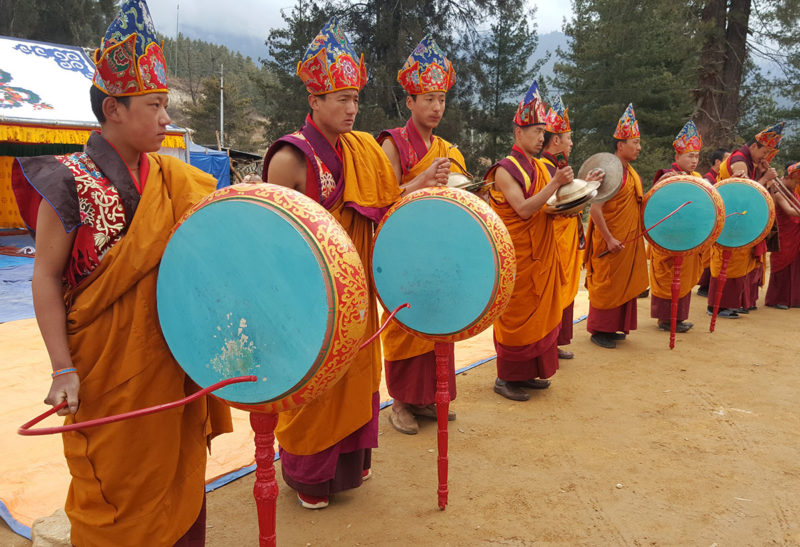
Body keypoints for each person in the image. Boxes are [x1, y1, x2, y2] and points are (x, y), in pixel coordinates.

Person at [10, 1, 232, 544]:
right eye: (155, 106)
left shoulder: (174, 177)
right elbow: (44, 278)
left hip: (170, 355)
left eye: (166, 106)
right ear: (113, 108)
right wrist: (62, 369)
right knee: (114, 490)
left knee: (177, 474)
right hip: (106, 372)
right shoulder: (67, 180)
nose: (165, 119)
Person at [262, 18, 410, 509]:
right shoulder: (292, 157)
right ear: (315, 101)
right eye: (341, 99)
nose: (352, 108)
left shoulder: (361, 150)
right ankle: (309, 476)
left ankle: (349, 465)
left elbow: (384, 204)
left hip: (358, 289)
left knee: (356, 374)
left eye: (356, 99)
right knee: (317, 384)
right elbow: (275, 237)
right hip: (310, 294)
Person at [377, 34, 460, 435]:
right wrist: (424, 179)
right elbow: (383, 201)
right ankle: (400, 403)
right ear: (409, 101)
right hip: (403, 252)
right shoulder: (393, 144)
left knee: (438, 320)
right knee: (404, 326)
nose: (436, 107)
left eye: (441, 99)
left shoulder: (445, 146)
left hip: (436, 251)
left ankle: (426, 397)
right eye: (428, 99)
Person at [484, 80, 571, 401]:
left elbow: (550, 206)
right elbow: (522, 209)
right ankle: (506, 378)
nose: (541, 138)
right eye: (535, 131)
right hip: (517, 255)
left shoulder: (539, 166)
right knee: (516, 313)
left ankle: (530, 372)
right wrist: (555, 185)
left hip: (542, 254)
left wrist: (577, 191)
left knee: (542, 313)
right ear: (518, 132)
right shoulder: (504, 170)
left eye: (542, 132)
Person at [584, 104, 649, 348]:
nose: (639, 147)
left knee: (622, 282)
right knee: (608, 282)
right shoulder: (608, 171)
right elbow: (596, 208)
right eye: (635, 142)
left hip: (627, 239)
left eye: (639, 143)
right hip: (609, 238)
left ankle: (613, 328)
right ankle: (600, 329)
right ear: (620, 145)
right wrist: (609, 238)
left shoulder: (631, 172)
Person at [708, 122, 783, 318]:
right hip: (731, 217)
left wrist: (762, 172)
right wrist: (764, 177)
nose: (765, 156)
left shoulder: (751, 162)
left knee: (738, 262)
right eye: (764, 151)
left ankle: (729, 304)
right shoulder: (740, 161)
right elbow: (744, 195)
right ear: (753, 146)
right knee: (727, 261)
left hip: (739, 219)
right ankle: (718, 306)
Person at [648, 121, 706, 333]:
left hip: (689, 236)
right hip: (668, 236)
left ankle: (679, 317)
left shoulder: (697, 179)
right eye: (690, 156)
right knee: (669, 275)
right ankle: (665, 319)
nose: (694, 160)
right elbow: (653, 204)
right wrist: (660, 184)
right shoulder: (667, 175)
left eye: (697, 156)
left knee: (685, 276)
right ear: (677, 158)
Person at [540, 95, 581, 360]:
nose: (571, 142)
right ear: (555, 140)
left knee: (562, 291)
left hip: (566, 238)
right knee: (553, 292)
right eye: (568, 138)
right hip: (553, 239)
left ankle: (554, 342)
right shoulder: (544, 167)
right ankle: (548, 342)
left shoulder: (559, 166)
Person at [764, 162, 800, 308]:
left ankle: (794, 299)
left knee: (796, 265)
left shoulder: (793, 191)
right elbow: (790, 211)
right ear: (790, 177)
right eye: (797, 181)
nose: (797, 184)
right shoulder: (778, 190)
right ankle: (778, 299)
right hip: (783, 236)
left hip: (795, 234)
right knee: (782, 264)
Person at [697, 148, 730, 296]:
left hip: (720, 221)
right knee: (708, 255)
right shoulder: (707, 179)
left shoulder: (722, 177)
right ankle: (704, 286)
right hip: (709, 222)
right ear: (718, 162)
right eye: (726, 161)